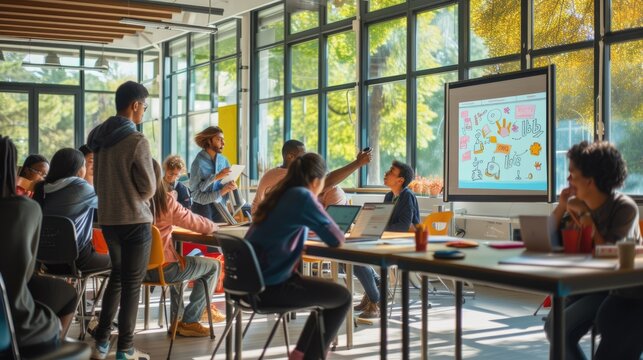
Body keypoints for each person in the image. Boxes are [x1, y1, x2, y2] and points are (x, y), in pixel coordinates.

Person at [246, 152, 351, 360]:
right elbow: (336, 239)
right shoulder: (302, 196)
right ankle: (308, 356)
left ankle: (300, 353)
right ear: (315, 181)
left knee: (324, 297)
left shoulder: (280, 194)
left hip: (249, 284)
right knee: (342, 297)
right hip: (270, 287)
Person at [544, 141, 640, 360]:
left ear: (589, 179)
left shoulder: (623, 207)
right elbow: (549, 242)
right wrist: (561, 208)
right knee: (553, 326)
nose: (568, 180)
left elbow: (611, 253)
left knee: (560, 328)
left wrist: (587, 218)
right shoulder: (576, 204)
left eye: (572, 173)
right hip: (586, 284)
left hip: (616, 289)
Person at [87, 81, 156, 360]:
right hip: (135, 220)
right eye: (145, 107)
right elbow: (149, 188)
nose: (144, 112)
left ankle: (102, 340)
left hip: (110, 221)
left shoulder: (100, 141)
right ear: (135, 105)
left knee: (117, 278)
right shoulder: (136, 140)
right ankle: (125, 348)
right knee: (132, 283)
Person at [0, 136, 77, 357]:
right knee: (68, 294)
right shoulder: (26, 209)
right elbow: (25, 268)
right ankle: (52, 350)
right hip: (15, 311)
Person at [144, 160, 225, 338]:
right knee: (214, 266)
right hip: (162, 269)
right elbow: (197, 223)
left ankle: (177, 320)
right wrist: (217, 227)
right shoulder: (165, 202)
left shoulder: (128, 202)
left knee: (180, 263)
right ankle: (190, 320)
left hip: (133, 271)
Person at [353, 160, 420, 318]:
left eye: (391, 171)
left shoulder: (407, 196)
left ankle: (375, 301)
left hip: (404, 244)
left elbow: (403, 226)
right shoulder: (389, 195)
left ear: (400, 180)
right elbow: (386, 221)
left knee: (357, 261)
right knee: (353, 259)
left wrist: (378, 229)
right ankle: (375, 290)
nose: (386, 173)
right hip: (388, 240)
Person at [32, 148, 111, 273]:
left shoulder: (44, 189)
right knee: (123, 262)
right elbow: (110, 202)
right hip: (78, 259)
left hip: (47, 261)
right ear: (78, 169)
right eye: (85, 165)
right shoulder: (80, 187)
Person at [251, 139, 372, 214]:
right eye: (302, 155)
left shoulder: (269, 175)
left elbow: (255, 205)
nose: (305, 159)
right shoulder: (290, 176)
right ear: (289, 157)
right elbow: (327, 182)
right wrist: (358, 163)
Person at [189, 126, 236, 223]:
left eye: (223, 140)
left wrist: (231, 187)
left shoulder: (224, 161)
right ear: (209, 141)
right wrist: (217, 178)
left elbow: (226, 185)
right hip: (202, 207)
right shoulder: (198, 163)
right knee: (208, 237)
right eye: (219, 139)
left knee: (222, 236)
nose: (223, 143)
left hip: (220, 206)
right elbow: (196, 195)